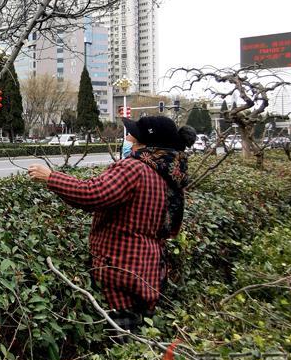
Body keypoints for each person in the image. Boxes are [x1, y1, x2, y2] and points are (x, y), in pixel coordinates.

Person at [28, 116, 196, 336]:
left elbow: (93, 193)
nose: (128, 139)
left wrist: (51, 177)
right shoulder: (170, 173)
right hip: (150, 270)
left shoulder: (135, 169)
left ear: (146, 143)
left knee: (120, 340)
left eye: (132, 136)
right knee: (143, 338)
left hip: (120, 271)